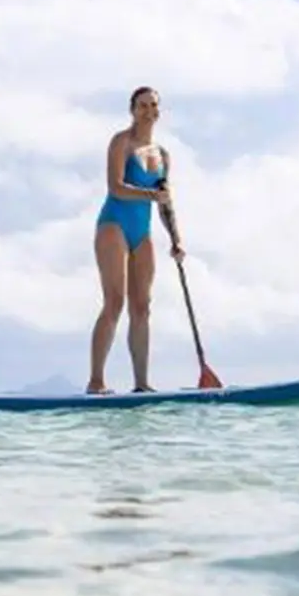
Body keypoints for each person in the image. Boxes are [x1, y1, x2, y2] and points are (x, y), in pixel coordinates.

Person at [87, 86, 184, 394]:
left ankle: (142, 384)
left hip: (142, 233)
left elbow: (165, 202)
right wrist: (150, 195)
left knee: (142, 307)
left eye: (153, 105)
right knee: (114, 301)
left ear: (158, 111)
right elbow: (116, 187)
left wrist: (176, 240)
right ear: (132, 110)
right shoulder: (122, 142)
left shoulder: (162, 155)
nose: (147, 110)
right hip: (113, 225)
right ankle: (96, 381)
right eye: (141, 105)